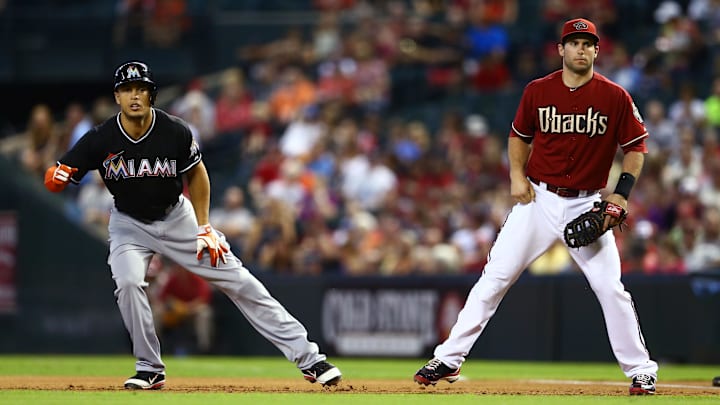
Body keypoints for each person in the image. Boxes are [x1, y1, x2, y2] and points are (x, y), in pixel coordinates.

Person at [43, 61, 342, 390]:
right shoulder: (101, 138)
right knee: (128, 284)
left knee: (240, 281)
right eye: (127, 89)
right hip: (129, 224)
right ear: (117, 97)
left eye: (141, 88)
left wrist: (204, 226)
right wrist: (57, 176)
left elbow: (197, 174)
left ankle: (310, 358)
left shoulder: (174, 131)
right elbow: (59, 172)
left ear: (152, 95)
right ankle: (149, 367)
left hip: (177, 218)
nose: (135, 95)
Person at [413, 18, 658, 396]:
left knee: (611, 289)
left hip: (586, 202)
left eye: (587, 43)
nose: (581, 49)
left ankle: (641, 369)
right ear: (560, 50)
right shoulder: (538, 90)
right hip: (537, 200)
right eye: (574, 43)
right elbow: (519, 136)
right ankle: (448, 358)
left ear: (596, 50)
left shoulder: (614, 96)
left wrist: (621, 193)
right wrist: (516, 174)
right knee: (494, 278)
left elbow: (636, 147)